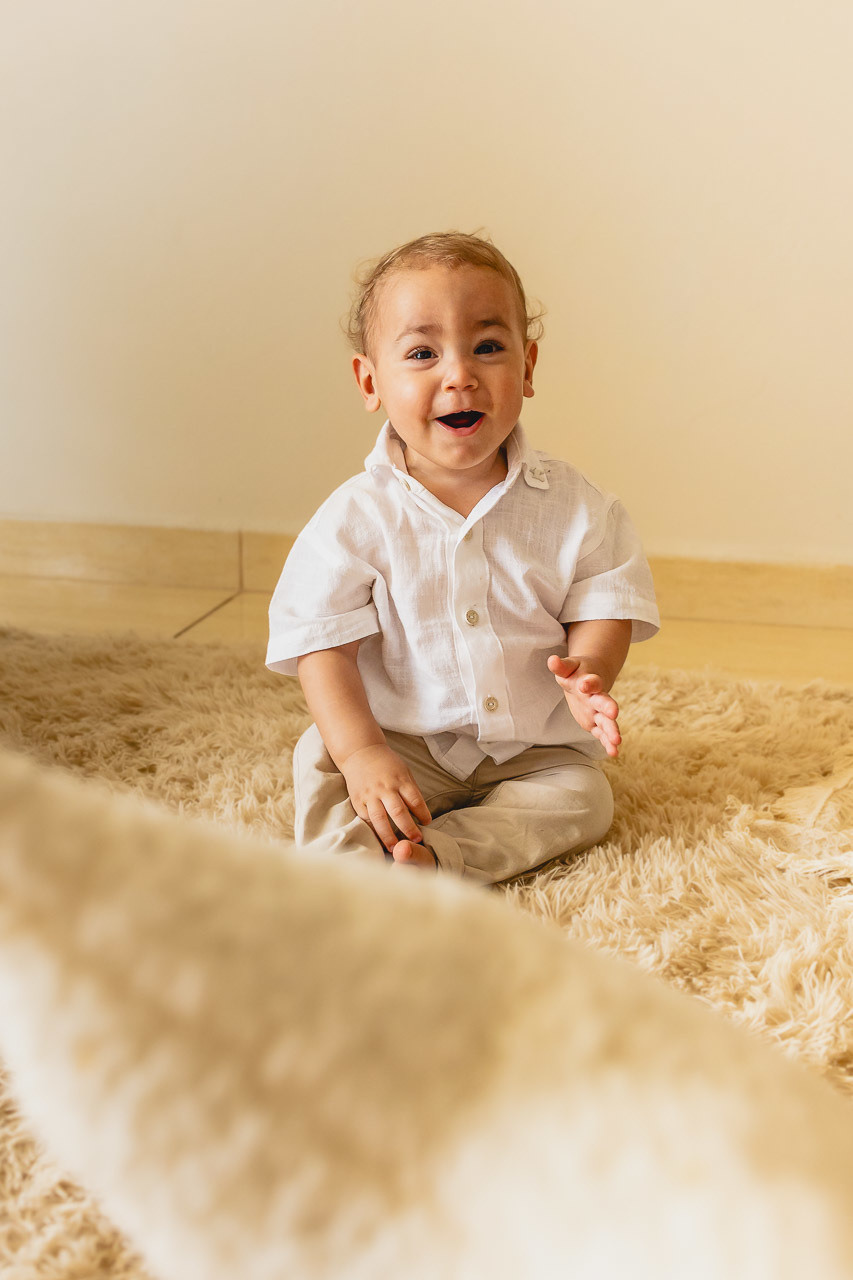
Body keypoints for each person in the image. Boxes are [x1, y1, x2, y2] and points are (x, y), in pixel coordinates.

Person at [267, 232, 659, 884]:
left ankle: (445, 858)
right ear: (370, 380)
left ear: (527, 367)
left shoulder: (575, 507)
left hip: (530, 750)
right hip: (403, 742)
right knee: (322, 757)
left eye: (487, 347)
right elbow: (321, 648)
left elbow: (604, 602)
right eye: (422, 353)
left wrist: (586, 671)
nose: (459, 374)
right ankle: (345, 877)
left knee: (583, 798)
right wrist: (363, 752)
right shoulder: (354, 519)